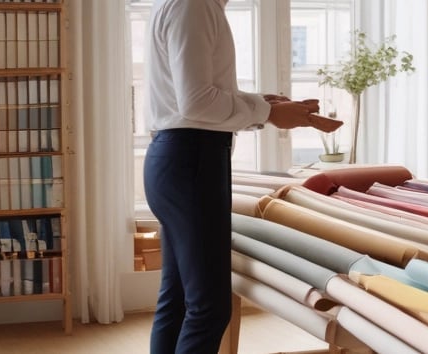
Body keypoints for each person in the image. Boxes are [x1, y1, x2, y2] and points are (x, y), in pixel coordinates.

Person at [145, 0, 340, 353]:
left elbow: (193, 99)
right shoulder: (196, 5)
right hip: (192, 162)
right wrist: (267, 113)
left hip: (178, 159)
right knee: (209, 308)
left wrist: (263, 105)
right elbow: (196, 103)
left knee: (177, 302)